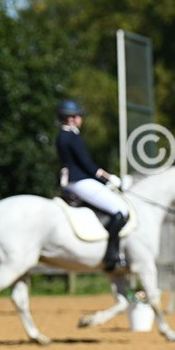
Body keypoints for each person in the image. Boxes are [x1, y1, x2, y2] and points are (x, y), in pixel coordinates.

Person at [54, 99, 129, 271]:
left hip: (69, 182)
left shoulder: (61, 136)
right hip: (80, 181)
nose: (81, 119)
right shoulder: (72, 137)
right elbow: (87, 165)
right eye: (78, 116)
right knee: (120, 211)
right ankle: (112, 255)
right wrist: (108, 179)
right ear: (71, 118)